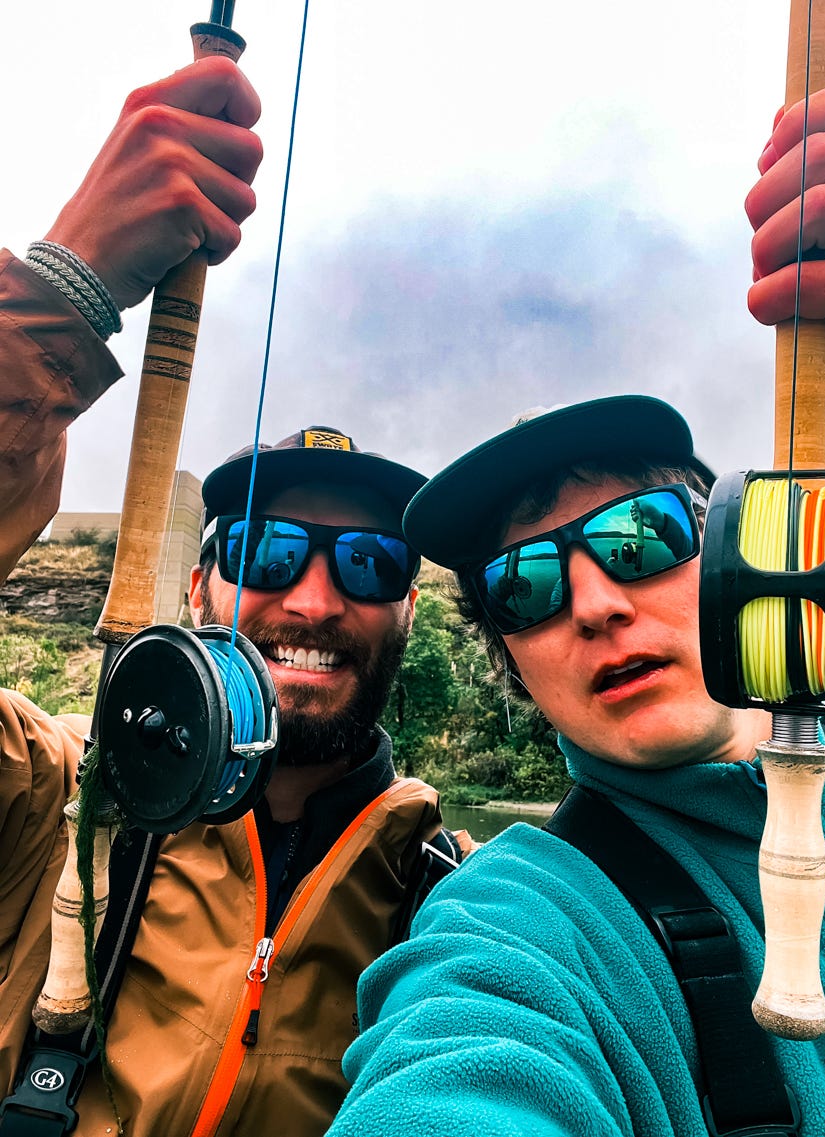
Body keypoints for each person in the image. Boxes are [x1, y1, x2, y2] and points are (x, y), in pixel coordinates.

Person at [326, 83, 825, 1136]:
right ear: (514, 665)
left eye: (633, 538)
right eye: (522, 586)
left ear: (720, 550)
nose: (596, 604)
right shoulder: (518, 925)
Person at [0, 59, 469, 1137]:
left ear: (409, 608)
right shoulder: (50, 803)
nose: (310, 600)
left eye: (366, 564)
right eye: (265, 551)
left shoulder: (463, 905)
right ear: (201, 580)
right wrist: (62, 300)